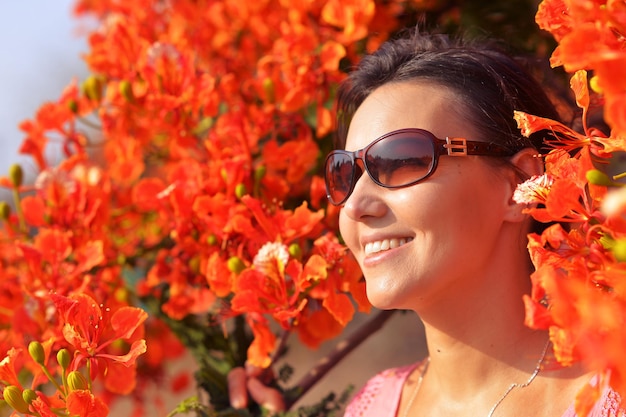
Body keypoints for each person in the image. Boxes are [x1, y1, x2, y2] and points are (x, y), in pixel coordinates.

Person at [228, 29, 625, 416]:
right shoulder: (372, 405)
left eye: (400, 160)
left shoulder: (614, 390)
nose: (354, 206)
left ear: (520, 184)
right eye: (345, 172)